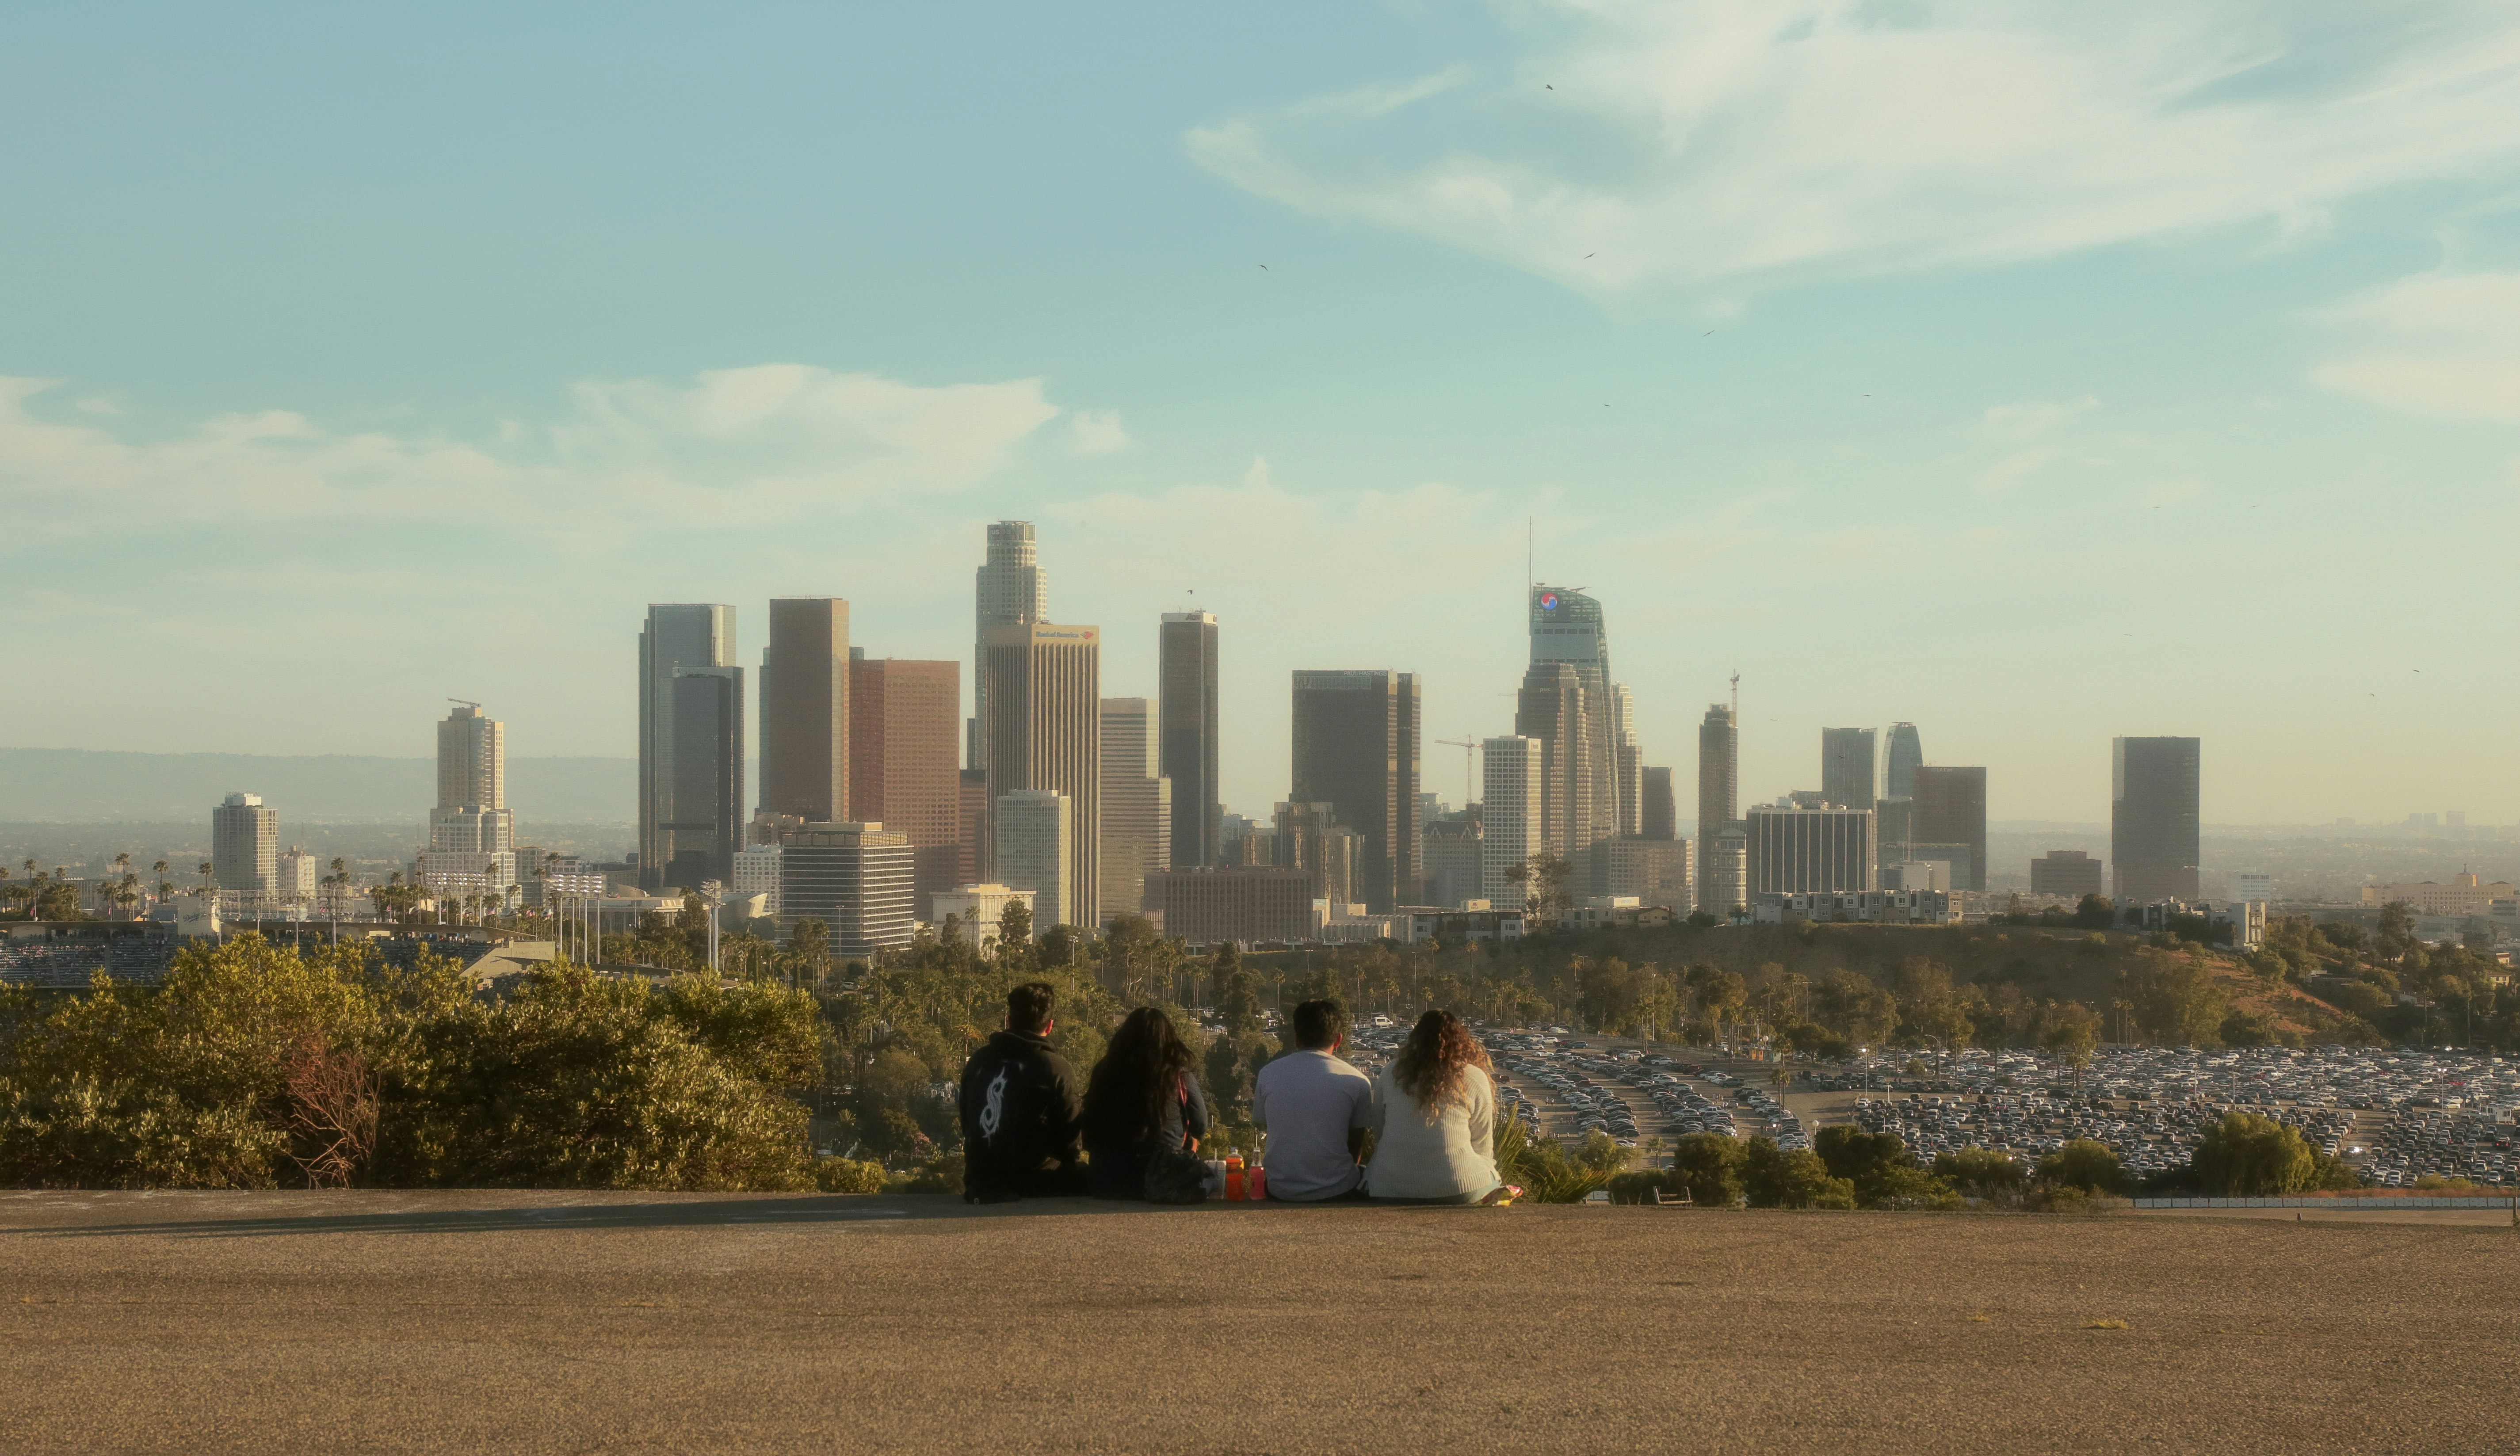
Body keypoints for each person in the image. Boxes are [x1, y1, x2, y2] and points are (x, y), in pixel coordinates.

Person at [1365, 1008, 1520, 1205]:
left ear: (1416, 1038)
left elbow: (1380, 1130)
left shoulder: (1390, 1073)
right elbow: (1483, 1145)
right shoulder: (1473, 1076)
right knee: (1493, 1178)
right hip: (1459, 1187)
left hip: (1389, 1187)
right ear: (1461, 1040)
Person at [958, 980, 1088, 1203]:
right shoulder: (1055, 1068)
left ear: (1008, 1021)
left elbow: (967, 1124)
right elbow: (1071, 1144)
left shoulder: (978, 1062)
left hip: (981, 1180)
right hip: (1037, 1181)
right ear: (1049, 1027)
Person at [1079, 1007, 1211, 1199]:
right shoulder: (1179, 1076)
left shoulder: (1105, 1072)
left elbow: (1089, 1127)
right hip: (1162, 1181)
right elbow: (1200, 1126)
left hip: (1107, 1180)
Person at [1253, 998, 1375, 1201]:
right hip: (1337, 1189)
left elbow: (1263, 1121)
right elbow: (1356, 1146)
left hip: (1279, 1189)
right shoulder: (1358, 1081)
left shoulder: (1268, 1074)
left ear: (1297, 1039)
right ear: (1339, 1040)